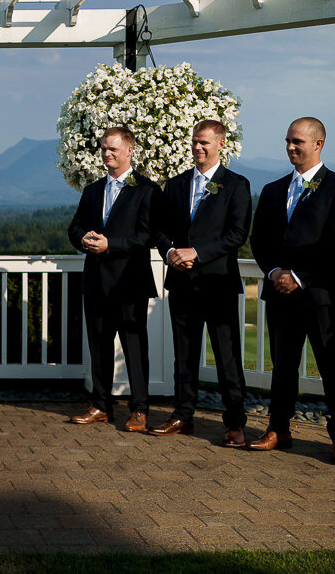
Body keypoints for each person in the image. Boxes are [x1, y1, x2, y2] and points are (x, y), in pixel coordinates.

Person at [152, 120, 251, 446]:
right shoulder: (176, 185)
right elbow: (161, 229)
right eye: (195, 141)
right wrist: (170, 254)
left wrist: (197, 252)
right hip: (181, 282)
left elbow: (236, 235)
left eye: (205, 142)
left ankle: (235, 422)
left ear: (221, 144)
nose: (198, 147)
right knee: (184, 353)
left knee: (227, 356)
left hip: (218, 283)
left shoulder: (236, 185)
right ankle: (183, 415)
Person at [249, 116, 335, 454]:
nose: (290, 147)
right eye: (287, 141)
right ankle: (278, 429)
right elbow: (260, 241)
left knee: (331, 366)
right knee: (282, 365)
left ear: (318, 144)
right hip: (280, 294)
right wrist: (273, 273)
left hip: (320, 295)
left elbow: (332, 244)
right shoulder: (272, 190)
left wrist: (298, 276)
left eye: (297, 141)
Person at [67, 126, 160, 432]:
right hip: (95, 281)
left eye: (113, 149)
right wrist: (83, 239)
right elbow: (75, 227)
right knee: (99, 346)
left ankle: (140, 409)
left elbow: (146, 235)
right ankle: (101, 405)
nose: (107, 154)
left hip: (129, 282)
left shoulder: (147, 190)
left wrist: (111, 245)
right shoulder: (92, 190)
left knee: (135, 348)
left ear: (130, 150)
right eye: (104, 149)